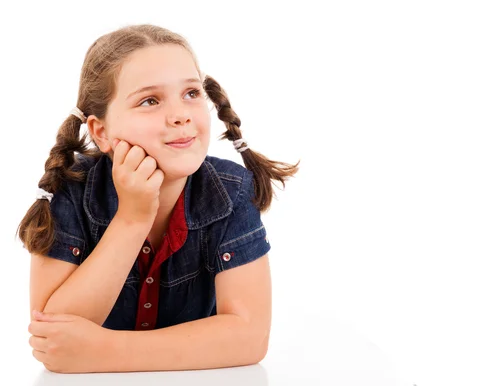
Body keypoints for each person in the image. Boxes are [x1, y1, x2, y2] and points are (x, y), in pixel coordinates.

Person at [16, 24, 299, 373]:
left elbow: (249, 337)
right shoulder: (71, 189)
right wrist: (132, 219)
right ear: (101, 132)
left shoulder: (229, 190)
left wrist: (107, 350)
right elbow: (54, 339)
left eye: (191, 94)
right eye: (150, 100)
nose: (181, 114)